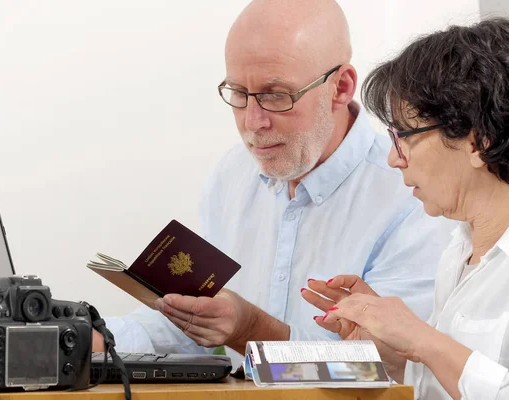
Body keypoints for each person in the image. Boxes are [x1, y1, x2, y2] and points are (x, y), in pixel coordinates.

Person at [97, 0, 456, 367]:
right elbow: (187, 329)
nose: (253, 122)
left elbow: (391, 367)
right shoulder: (231, 176)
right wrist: (92, 338)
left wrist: (248, 328)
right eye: (238, 93)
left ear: (341, 87)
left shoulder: (415, 197)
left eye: (275, 96)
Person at [302, 17, 509, 400]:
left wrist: (423, 339)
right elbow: (446, 382)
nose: (394, 160)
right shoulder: (457, 251)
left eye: (404, 137)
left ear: (478, 142)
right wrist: (395, 347)